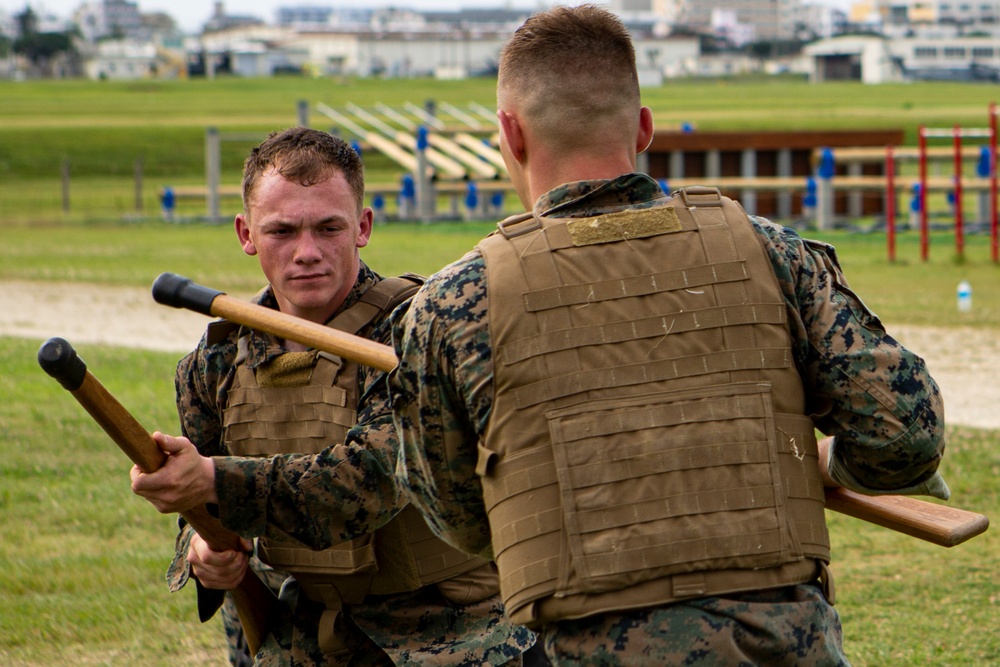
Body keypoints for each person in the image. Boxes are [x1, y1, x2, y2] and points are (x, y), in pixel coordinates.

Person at [387, 5, 951, 666]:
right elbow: (905, 434)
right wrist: (820, 465)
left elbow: (458, 518)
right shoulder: (769, 254)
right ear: (645, 127)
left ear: (510, 134)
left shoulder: (452, 305)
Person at [135, 126, 536, 666]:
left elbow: (362, 485)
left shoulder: (415, 335)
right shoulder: (215, 363)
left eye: (329, 228)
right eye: (282, 231)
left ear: (363, 227)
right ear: (246, 233)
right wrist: (204, 550)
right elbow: (203, 510)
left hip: (454, 636)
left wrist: (212, 480)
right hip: (304, 635)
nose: (307, 253)